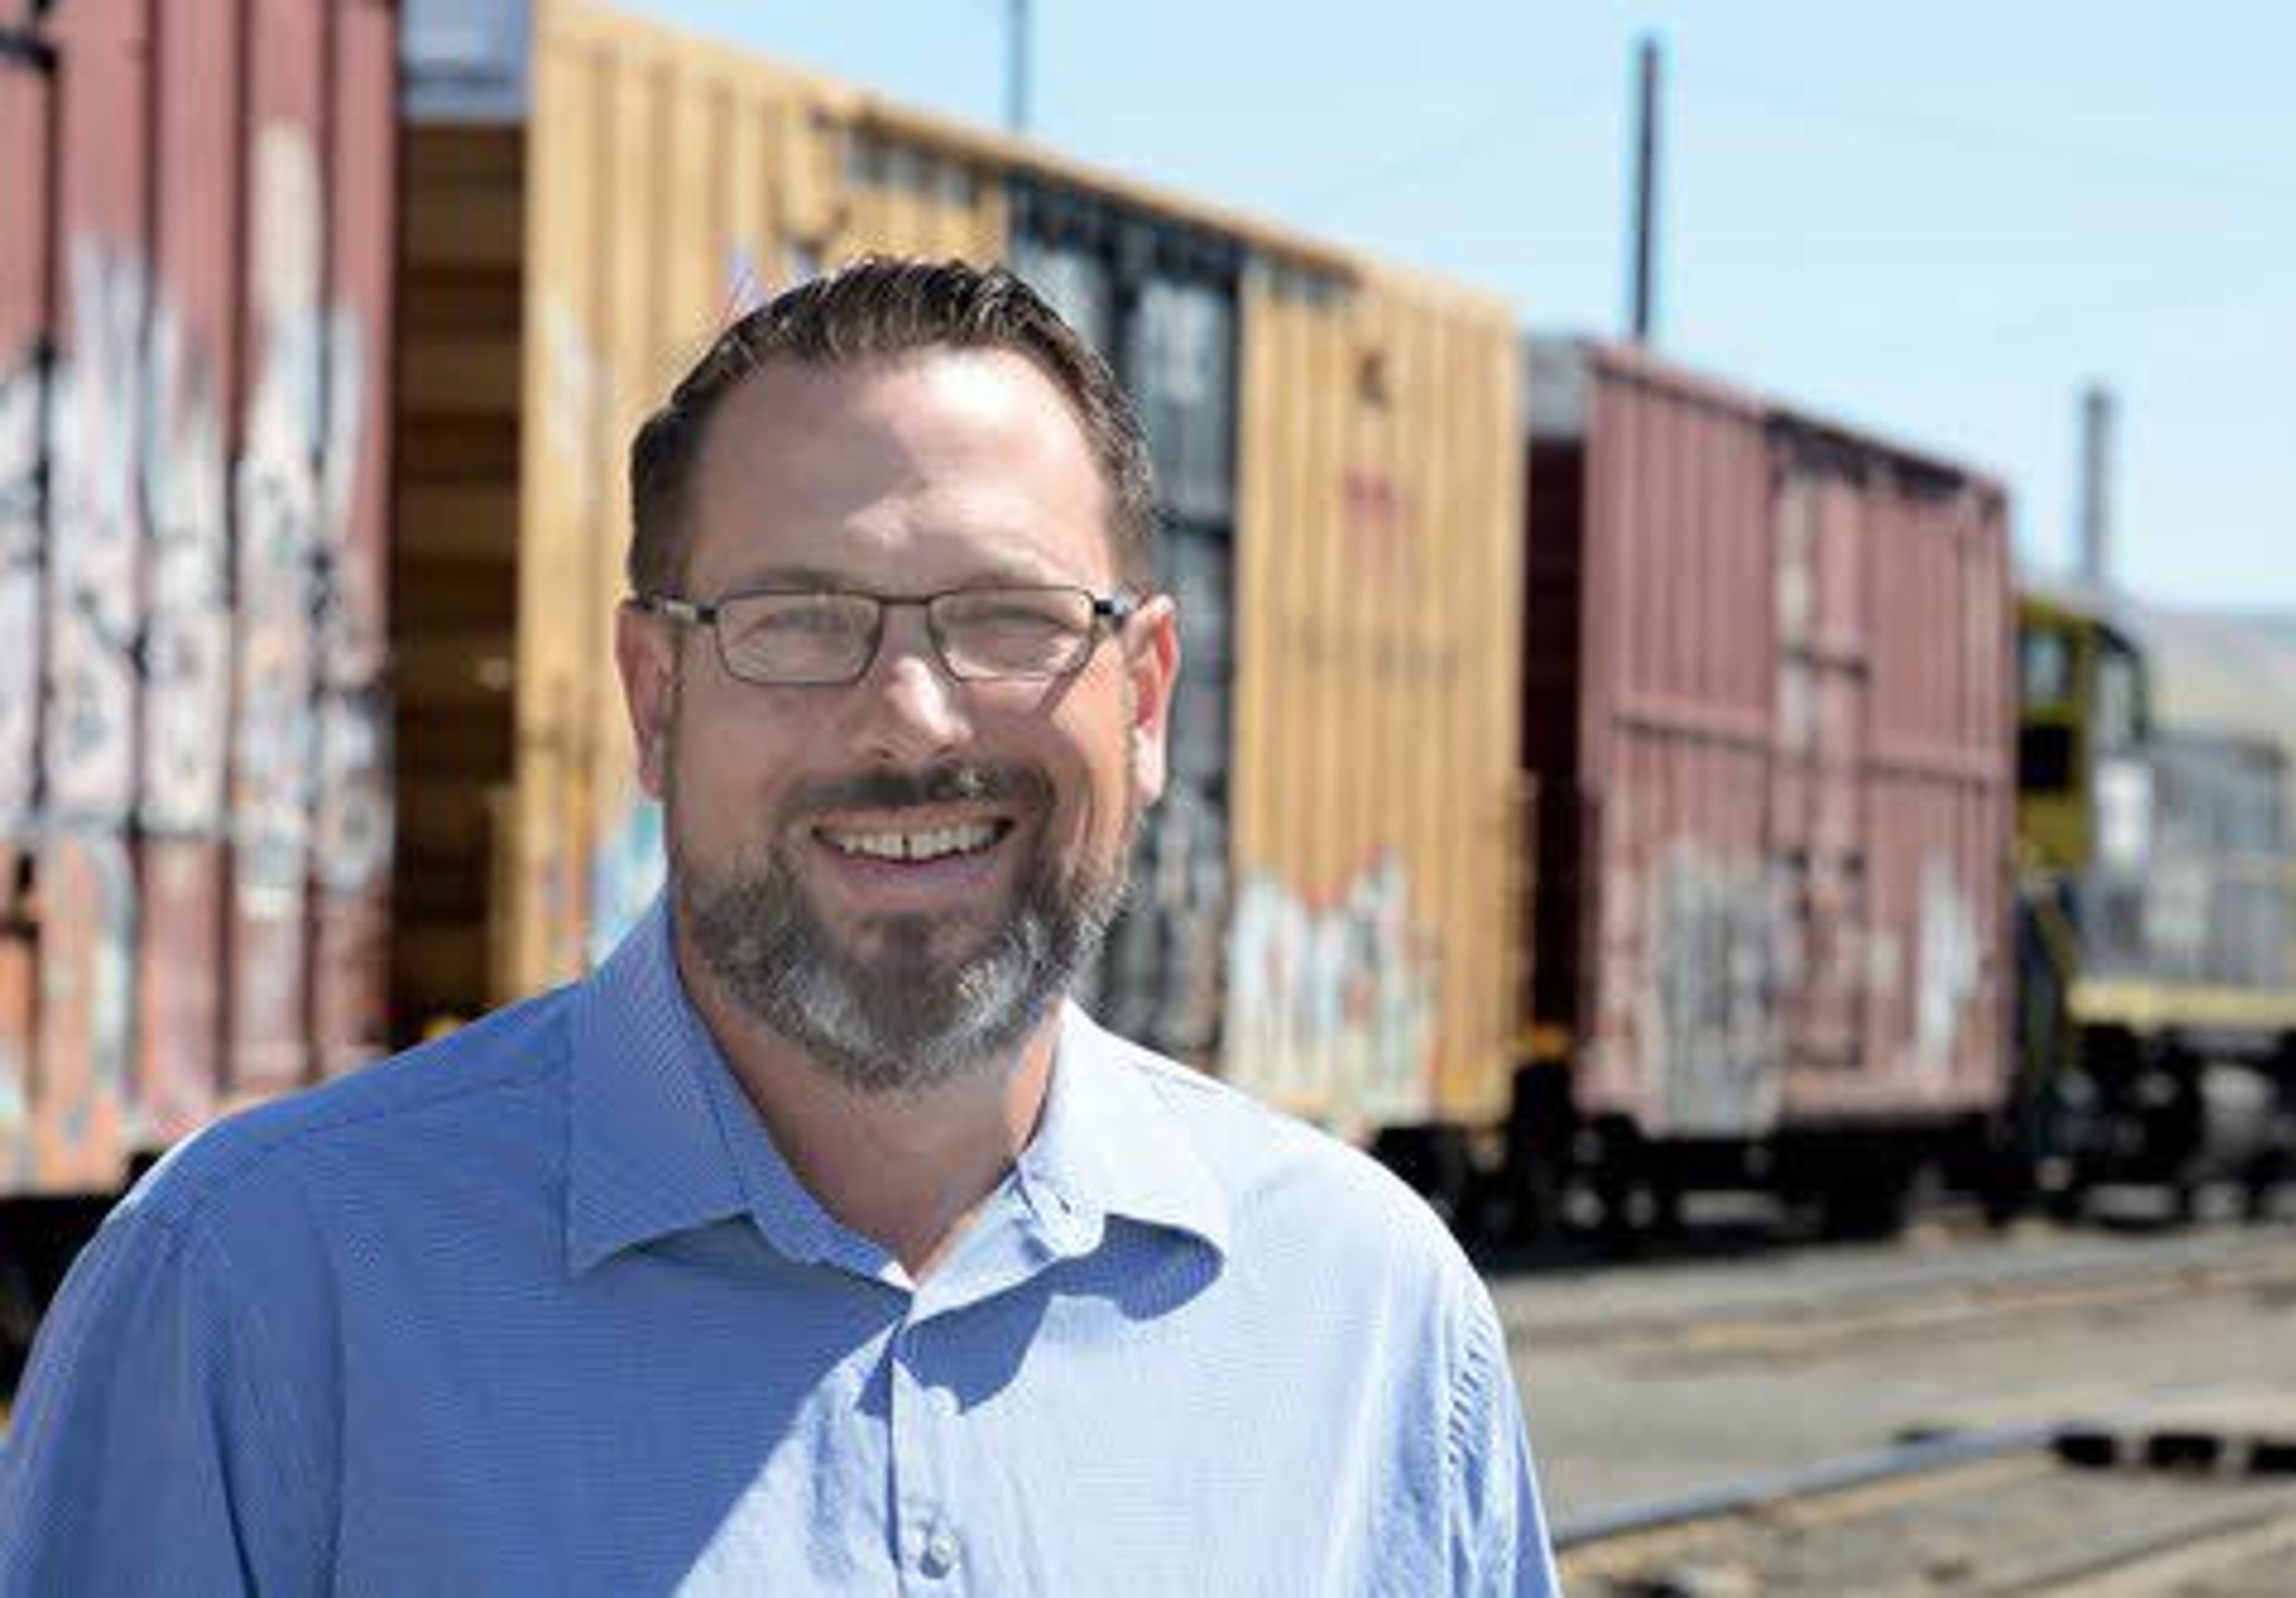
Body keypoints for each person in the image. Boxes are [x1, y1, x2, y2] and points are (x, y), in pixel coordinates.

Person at [0, 258, 1558, 1594]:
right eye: (797, 621)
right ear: (654, 695)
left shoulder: (1372, 1326)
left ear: (1143, 698)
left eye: (1009, 617)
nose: (911, 717)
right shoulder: (260, 1296)